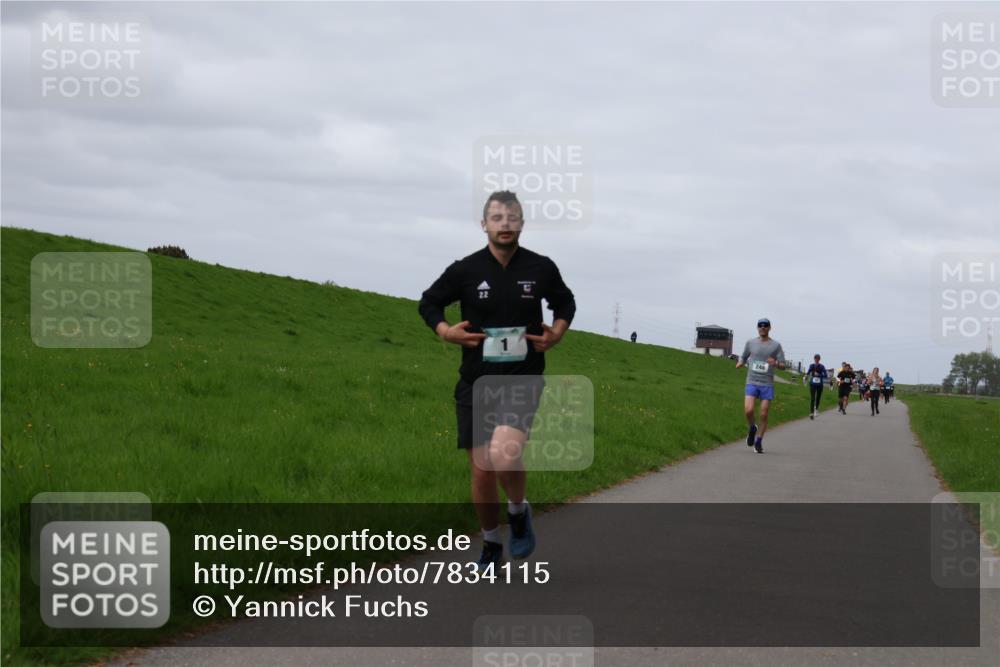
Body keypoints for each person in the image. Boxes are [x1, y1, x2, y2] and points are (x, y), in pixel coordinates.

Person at [418, 190, 576, 572]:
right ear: (484, 224)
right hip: (476, 381)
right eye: (497, 218)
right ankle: (490, 543)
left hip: (522, 378)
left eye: (512, 217)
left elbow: (565, 302)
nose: (504, 224)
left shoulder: (540, 268)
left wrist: (557, 332)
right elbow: (428, 302)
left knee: (504, 453)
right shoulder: (466, 270)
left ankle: (518, 512)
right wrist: (445, 332)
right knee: (481, 470)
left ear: (521, 223)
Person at [735, 318, 786, 453]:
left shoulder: (776, 346)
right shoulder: (750, 343)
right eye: (760, 325)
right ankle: (752, 428)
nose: (762, 327)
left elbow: (783, 365)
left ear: (770, 328)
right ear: (757, 328)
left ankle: (758, 441)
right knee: (748, 410)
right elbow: (743, 356)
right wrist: (740, 362)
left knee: (763, 414)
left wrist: (775, 363)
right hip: (752, 381)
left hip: (767, 384)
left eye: (765, 326)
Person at [805, 353, 828, 419]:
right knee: (812, 398)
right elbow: (808, 372)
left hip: (820, 384)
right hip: (812, 384)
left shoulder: (822, 366)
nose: (817, 360)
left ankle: (816, 409)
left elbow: (825, 375)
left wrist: (819, 375)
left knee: (818, 397)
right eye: (816, 358)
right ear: (814, 359)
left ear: (819, 359)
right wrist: (806, 375)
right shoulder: (811, 366)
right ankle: (811, 413)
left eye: (818, 359)